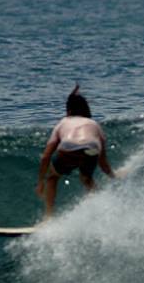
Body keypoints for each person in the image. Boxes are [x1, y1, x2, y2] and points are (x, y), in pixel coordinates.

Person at [35, 84, 116, 219]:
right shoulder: (94, 124)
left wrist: (40, 182)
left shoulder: (63, 122)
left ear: (69, 110)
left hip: (69, 147)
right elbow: (103, 163)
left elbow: (46, 156)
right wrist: (113, 175)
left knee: (52, 177)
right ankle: (101, 213)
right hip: (91, 148)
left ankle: (48, 218)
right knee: (87, 179)